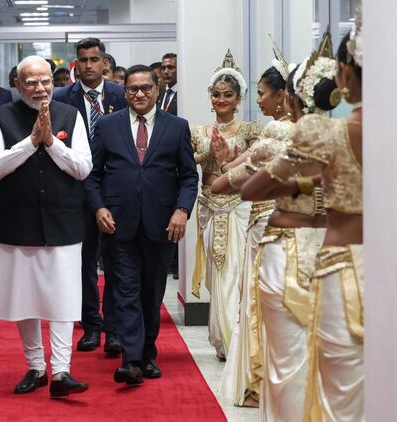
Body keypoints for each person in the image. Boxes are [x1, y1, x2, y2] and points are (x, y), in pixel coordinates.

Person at [244, 25, 363, 421]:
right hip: (369, 259)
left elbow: (250, 189)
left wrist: (302, 180)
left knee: (304, 367)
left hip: (323, 258)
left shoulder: (316, 133)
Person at [0, 55, 91, 397]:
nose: (40, 88)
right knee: (24, 298)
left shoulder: (70, 115)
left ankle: (61, 371)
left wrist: (51, 143)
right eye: (31, 82)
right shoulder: (1, 116)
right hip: (16, 221)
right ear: (17, 84)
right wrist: (30, 143)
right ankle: (36, 367)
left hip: (63, 221)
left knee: (64, 298)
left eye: (45, 81)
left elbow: (83, 168)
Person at [86, 64, 198, 385]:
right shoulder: (107, 125)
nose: (139, 94)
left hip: (161, 224)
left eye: (145, 88)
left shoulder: (177, 127)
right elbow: (92, 175)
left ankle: (148, 353)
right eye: (132, 89)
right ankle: (132, 360)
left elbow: (188, 177)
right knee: (126, 291)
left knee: (151, 292)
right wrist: (99, 208)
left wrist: (182, 210)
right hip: (117, 223)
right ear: (125, 92)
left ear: (157, 90)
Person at [212, 45, 298, 409]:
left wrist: (224, 167)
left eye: (262, 93)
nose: (259, 100)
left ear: (282, 96)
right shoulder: (314, 130)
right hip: (307, 236)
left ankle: (258, 385)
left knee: (259, 302)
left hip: (268, 226)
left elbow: (231, 181)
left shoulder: (276, 132)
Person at [53, 37, 127, 356]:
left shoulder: (121, 95)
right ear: (76, 64)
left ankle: (113, 329)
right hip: (77, 190)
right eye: (82, 60)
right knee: (83, 263)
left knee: (116, 261)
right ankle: (91, 326)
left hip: (117, 190)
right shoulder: (62, 98)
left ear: (105, 63)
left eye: (93, 60)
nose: (88, 65)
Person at [190, 50, 262, 361]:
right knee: (215, 275)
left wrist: (227, 160)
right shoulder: (198, 131)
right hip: (209, 205)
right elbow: (186, 161)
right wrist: (208, 154)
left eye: (228, 95)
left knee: (236, 271)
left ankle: (236, 340)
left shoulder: (251, 131)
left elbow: (257, 165)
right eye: (216, 94)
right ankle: (221, 339)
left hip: (240, 207)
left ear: (238, 98)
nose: (221, 100)